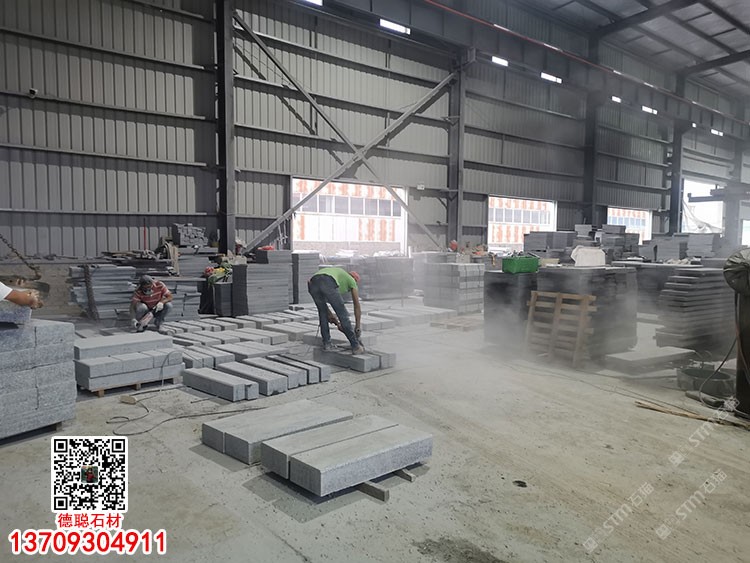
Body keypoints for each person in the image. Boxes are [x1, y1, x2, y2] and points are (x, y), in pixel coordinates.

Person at [308, 267, 364, 354]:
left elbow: (325, 308)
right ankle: (355, 346)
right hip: (327, 280)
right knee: (343, 315)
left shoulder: (340, 275)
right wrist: (357, 327)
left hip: (312, 283)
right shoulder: (352, 280)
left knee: (322, 314)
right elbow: (357, 305)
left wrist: (334, 319)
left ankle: (327, 344)